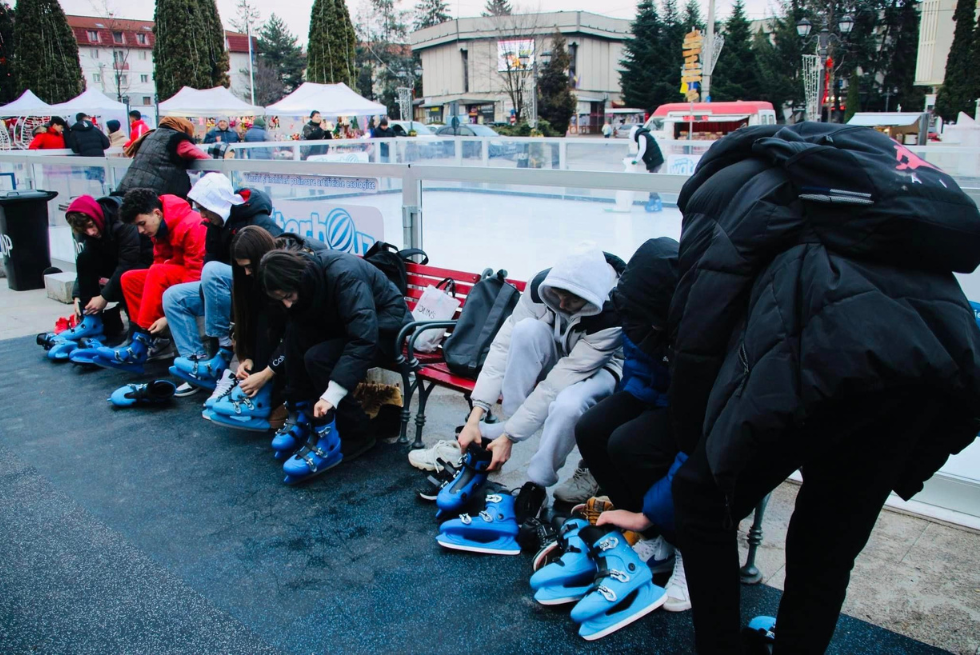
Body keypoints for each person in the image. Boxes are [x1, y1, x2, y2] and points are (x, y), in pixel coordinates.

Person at [667, 123, 980, 654]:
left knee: (700, 498)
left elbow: (704, 305)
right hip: (939, 362)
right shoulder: (862, 176)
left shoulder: (728, 184)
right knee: (828, 543)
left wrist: (692, 433)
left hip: (828, 347)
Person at [454, 244, 625, 517]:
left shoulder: (611, 315)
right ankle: (508, 426)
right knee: (525, 331)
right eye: (557, 295)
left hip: (601, 368)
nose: (561, 304)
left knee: (567, 405)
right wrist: (477, 413)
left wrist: (510, 436)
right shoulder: (540, 287)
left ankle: (536, 482)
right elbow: (502, 348)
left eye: (572, 300)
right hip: (561, 345)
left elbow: (557, 383)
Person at [574, 237, 690, 612]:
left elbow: (702, 426)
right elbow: (639, 369)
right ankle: (657, 537)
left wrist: (648, 509)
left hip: (693, 405)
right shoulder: (637, 304)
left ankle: (689, 549)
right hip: (651, 392)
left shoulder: (694, 320)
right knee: (592, 430)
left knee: (630, 444)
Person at [258, 247, 411, 482]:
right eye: (282, 299)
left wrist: (332, 394)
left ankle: (358, 433)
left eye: (289, 296)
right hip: (354, 327)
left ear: (298, 279)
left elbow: (363, 338)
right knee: (301, 341)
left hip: (389, 330)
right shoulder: (308, 282)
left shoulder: (344, 275)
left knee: (319, 358)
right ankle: (309, 416)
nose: (287, 304)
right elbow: (294, 338)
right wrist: (295, 397)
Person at [162, 173, 282, 397]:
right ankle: (195, 363)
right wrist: (206, 294)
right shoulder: (214, 225)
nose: (202, 215)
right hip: (222, 290)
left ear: (218, 203)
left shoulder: (258, 220)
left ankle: (223, 352)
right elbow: (208, 259)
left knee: (213, 272)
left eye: (205, 208)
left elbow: (277, 256)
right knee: (173, 296)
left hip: (251, 287)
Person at [92, 188, 207, 370]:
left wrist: (167, 315)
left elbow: (196, 273)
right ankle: (145, 338)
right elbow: (160, 260)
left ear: (157, 213)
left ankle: (141, 342)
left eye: (142, 223)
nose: (140, 231)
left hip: (195, 282)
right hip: (179, 275)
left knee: (156, 271)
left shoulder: (192, 225)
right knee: (130, 278)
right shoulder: (161, 227)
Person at [63, 194, 154, 334]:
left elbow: (127, 263)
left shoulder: (122, 220)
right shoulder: (93, 227)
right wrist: (78, 296)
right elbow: (86, 260)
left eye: (90, 226)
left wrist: (103, 297)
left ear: (95, 217)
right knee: (84, 258)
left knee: (126, 278)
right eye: (85, 231)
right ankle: (92, 320)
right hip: (119, 260)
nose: (91, 232)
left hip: (143, 261)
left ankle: (137, 329)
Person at [116, 116, 209, 198]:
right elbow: (207, 159)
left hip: (126, 189)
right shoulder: (177, 140)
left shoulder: (149, 136)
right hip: (152, 195)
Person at [629, 125, 664, 213]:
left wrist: (636, 160)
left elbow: (642, 149)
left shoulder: (641, 136)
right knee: (651, 181)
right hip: (655, 160)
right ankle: (652, 200)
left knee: (651, 182)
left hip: (654, 161)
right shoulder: (645, 134)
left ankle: (656, 201)